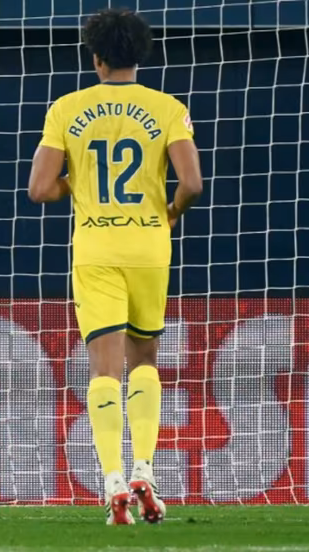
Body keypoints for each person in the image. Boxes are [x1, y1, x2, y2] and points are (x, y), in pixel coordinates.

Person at [27, 9, 202, 525]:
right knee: (145, 362)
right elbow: (192, 183)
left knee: (104, 370)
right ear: (139, 55)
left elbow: (39, 189)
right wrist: (169, 214)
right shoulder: (167, 107)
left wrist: (74, 183)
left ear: (96, 57)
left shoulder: (67, 108)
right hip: (150, 246)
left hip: (95, 248)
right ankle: (146, 468)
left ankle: (113, 482)